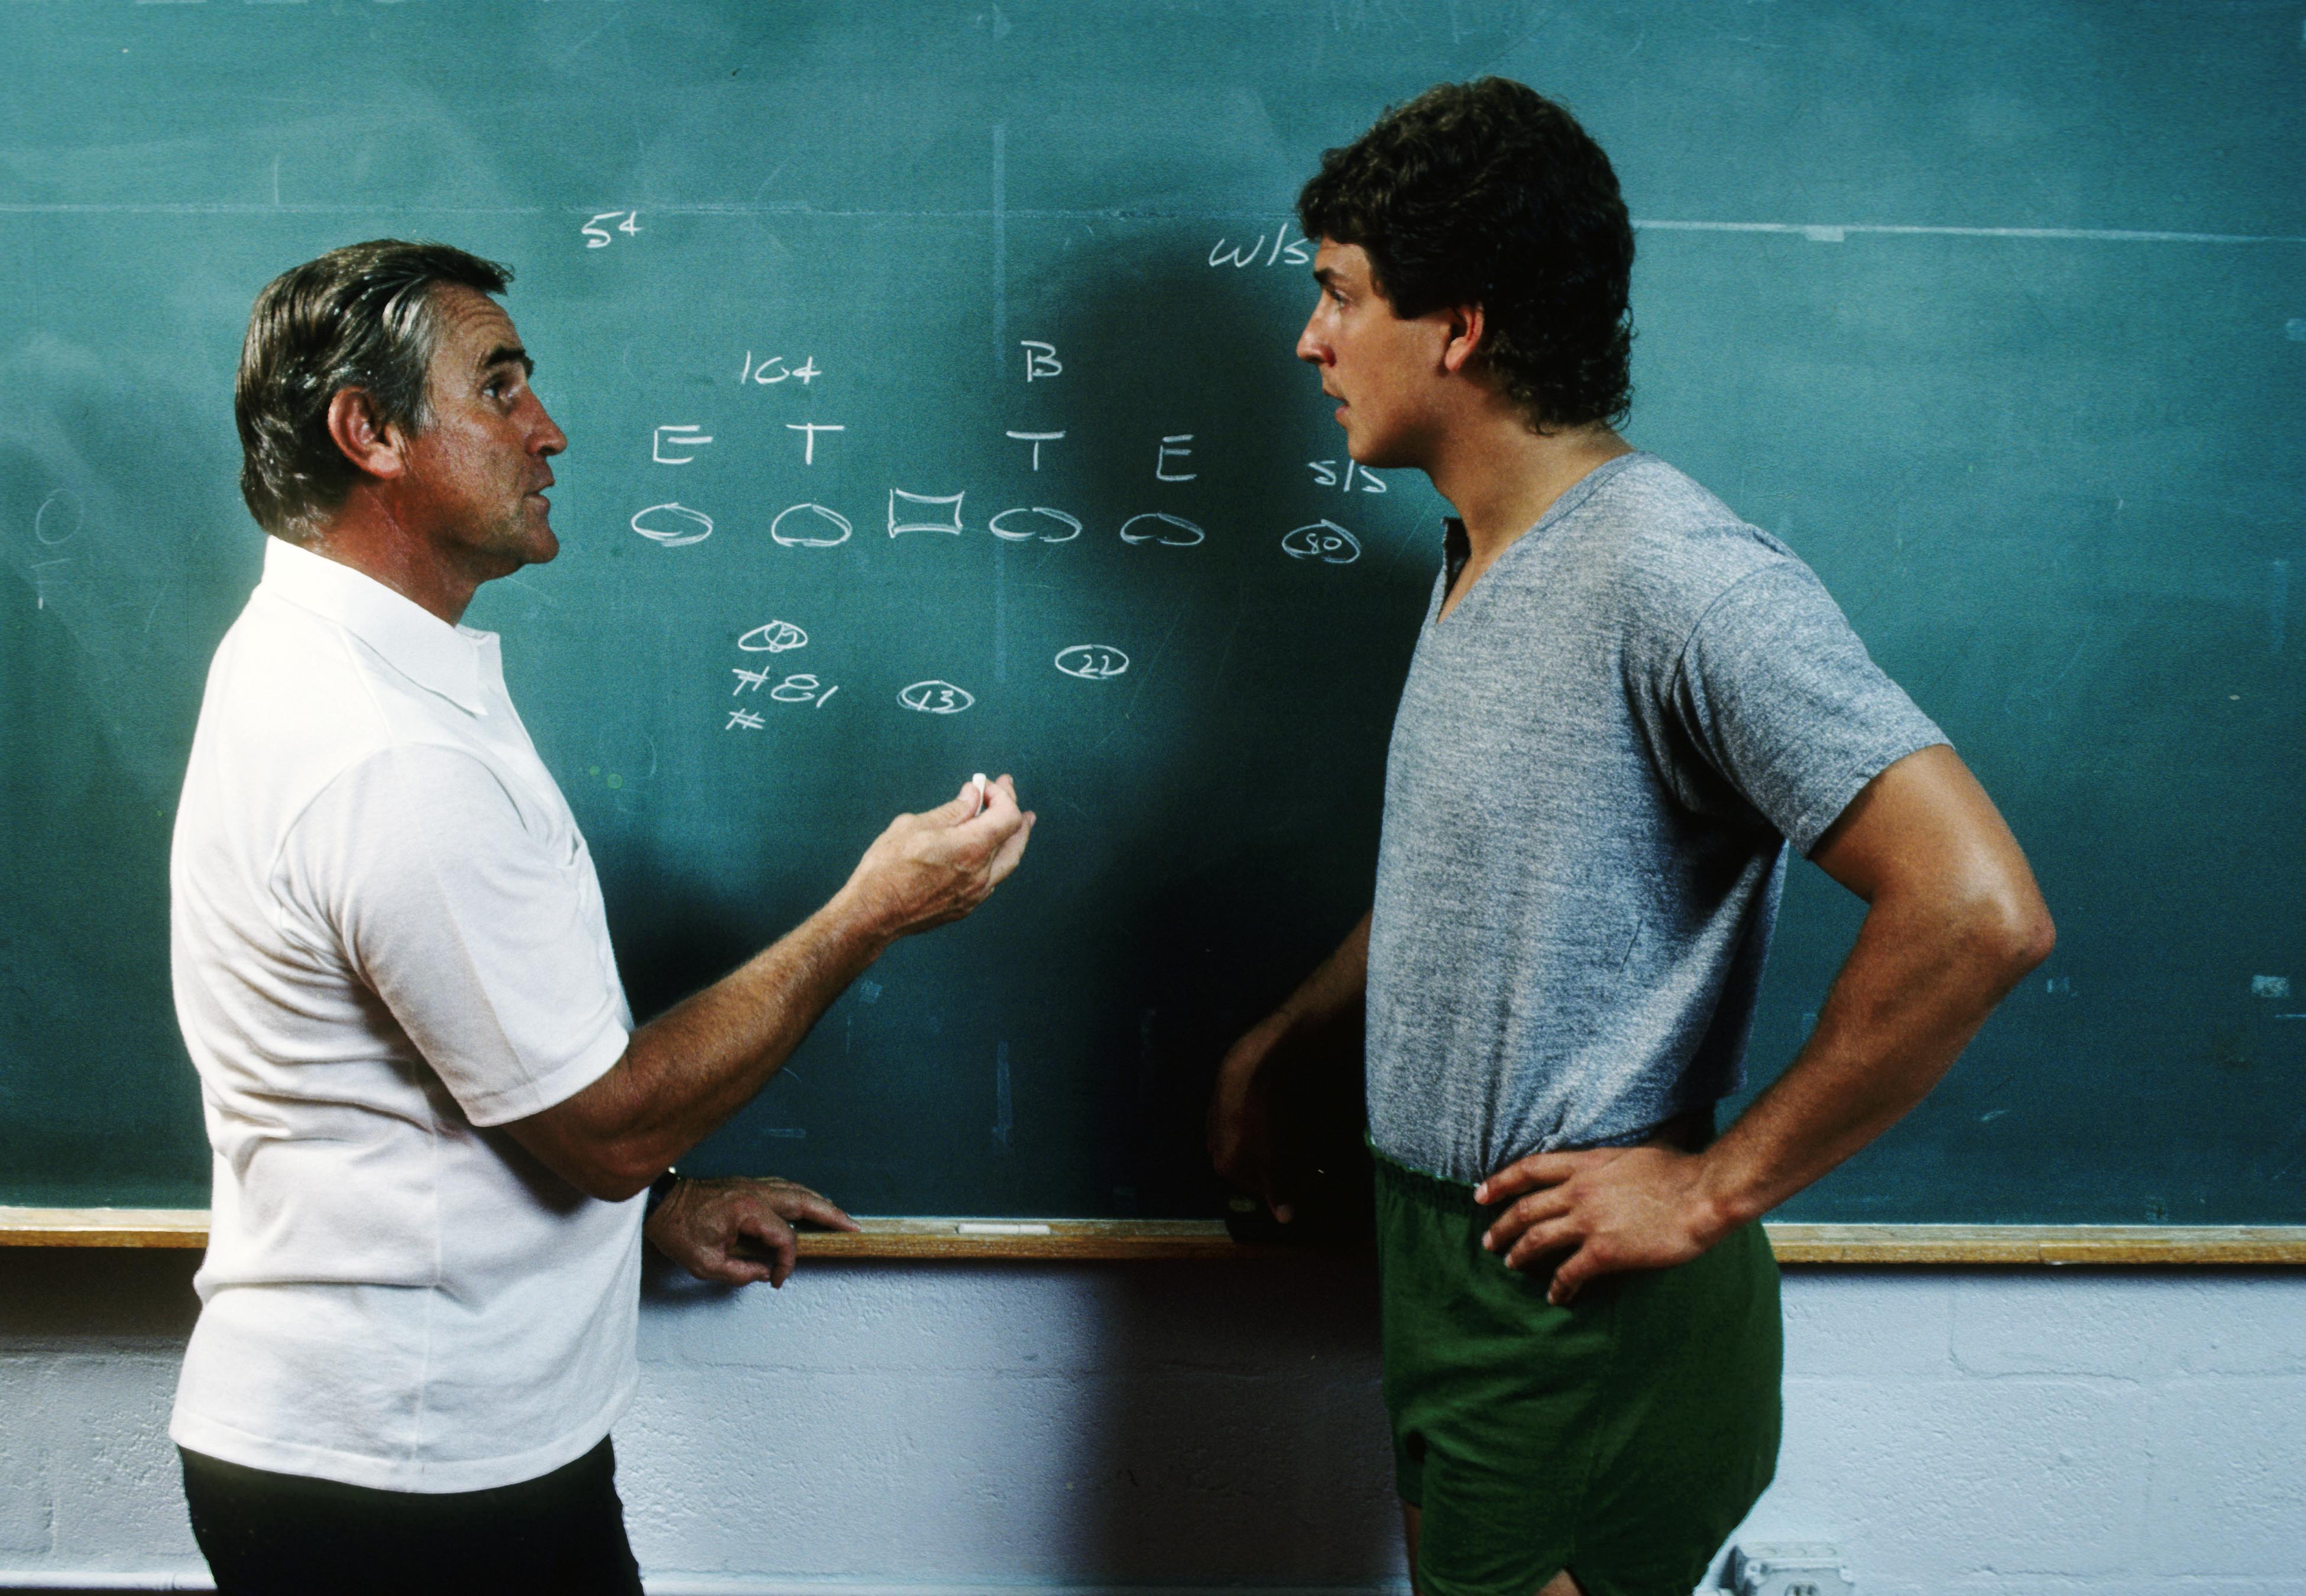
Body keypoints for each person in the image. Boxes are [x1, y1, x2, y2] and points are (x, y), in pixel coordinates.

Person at [1207, 80, 2054, 1596]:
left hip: (1575, 1315)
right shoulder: (1480, 549)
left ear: (1458, 327)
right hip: (1447, 1271)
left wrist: (1711, 1188)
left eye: (1340, 297)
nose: (1309, 341)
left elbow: (1977, 909)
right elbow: (1475, 880)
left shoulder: (1679, 576)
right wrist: (1294, 1035)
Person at [169, 238, 1035, 1595]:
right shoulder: (385, 751)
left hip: (421, 1452)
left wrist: (661, 1208)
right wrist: (871, 914)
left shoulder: (328, 665)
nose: (547, 428)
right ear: (369, 432)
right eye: (498, 387)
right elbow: (603, 1126)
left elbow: (448, 1090)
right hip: (406, 1480)